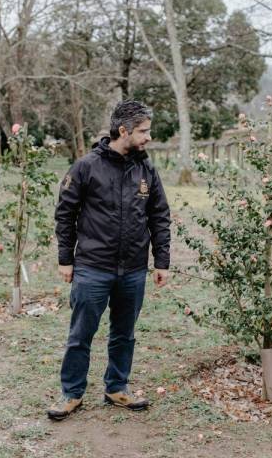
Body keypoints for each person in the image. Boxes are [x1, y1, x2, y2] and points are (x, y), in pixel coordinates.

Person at [47, 100, 171, 421]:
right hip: (92, 268)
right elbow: (65, 214)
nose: (148, 137)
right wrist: (65, 259)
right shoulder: (86, 167)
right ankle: (71, 393)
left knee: (124, 334)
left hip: (132, 271)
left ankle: (117, 387)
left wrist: (162, 261)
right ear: (123, 130)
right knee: (80, 335)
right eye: (143, 131)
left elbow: (159, 216)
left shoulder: (146, 170)